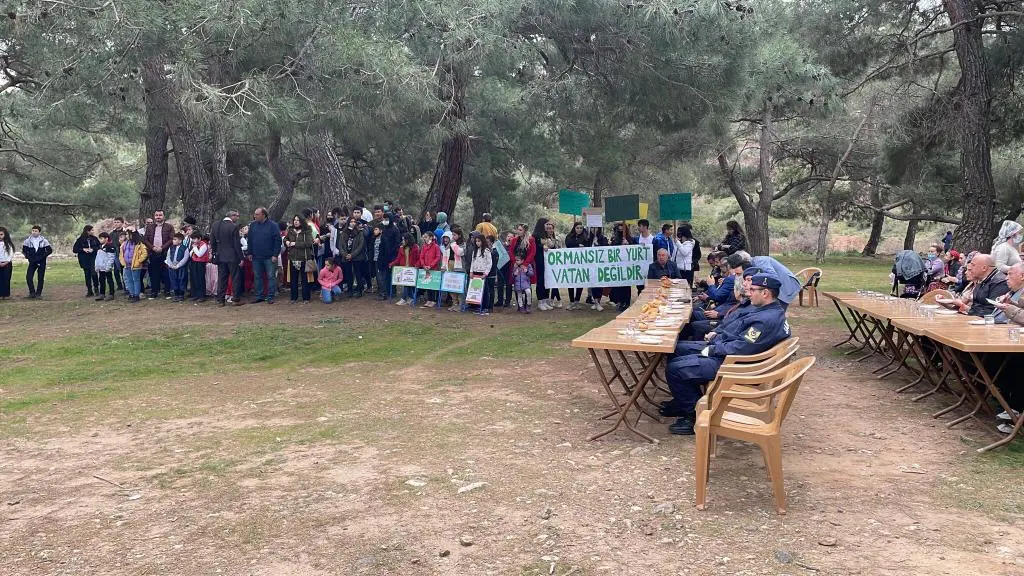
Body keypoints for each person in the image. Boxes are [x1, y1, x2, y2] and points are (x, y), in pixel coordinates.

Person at [662, 272, 791, 435]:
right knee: (677, 350)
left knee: (675, 368)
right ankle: (685, 403)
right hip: (734, 357)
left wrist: (714, 346)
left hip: (735, 366)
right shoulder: (767, 311)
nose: (748, 292)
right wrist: (717, 338)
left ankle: (692, 416)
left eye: (752, 290)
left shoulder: (765, 320)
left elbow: (741, 349)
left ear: (765, 293)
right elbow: (739, 335)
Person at [247, 206, 281, 304]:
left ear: (263, 215)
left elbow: (277, 241)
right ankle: (259, 296)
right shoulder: (253, 225)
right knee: (257, 276)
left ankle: (270, 296)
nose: (255, 216)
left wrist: (275, 254)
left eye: (257, 214)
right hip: (256, 257)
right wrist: (249, 252)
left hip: (269, 257)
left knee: (271, 276)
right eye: (255, 214)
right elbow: (250, 240)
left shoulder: (273, 225)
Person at [212, 210, 244, 306]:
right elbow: (236, 244)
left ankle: (220, 300)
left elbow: (212, 240)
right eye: (236, 216)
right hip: (232, 256)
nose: (237, 218)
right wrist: (241, 258)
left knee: (222, 278)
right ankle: (236, 299)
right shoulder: (233, 227)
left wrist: (215, 252)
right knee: (235, 278)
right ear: (232, 216)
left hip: (220, 255)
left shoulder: (215, 225)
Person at [143, 210, 175, 299]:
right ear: (154, 216)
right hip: (152, 253)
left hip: (165, 252)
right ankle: (154, 291)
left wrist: (162, 248)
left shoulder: (169, 227)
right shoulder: (149, 227)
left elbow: (172, 239)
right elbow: (145, 239)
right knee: (153, 273)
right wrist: (153, 247)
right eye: (156, 215)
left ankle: (167, 291)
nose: (158, 217)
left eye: (160, 215)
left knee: (166, 273)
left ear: (164, 216)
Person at [285, 215, 315, 304]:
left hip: (304, 258)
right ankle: (293, 298)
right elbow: (286, 238)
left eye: (298, 220)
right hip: (293, 258)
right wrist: (286, 241)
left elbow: (309, 243)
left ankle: (306, 298)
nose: (296, 222)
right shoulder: (290, 230)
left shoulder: (307, 230)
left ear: (301, 221)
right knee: (293, 279)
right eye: (294, 220)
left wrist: (295, 244)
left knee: (305, 279)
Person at [336, 217, 366, 298]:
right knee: (348, 274)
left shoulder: (359, 233)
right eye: (351, 221)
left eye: (354, 222)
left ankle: (359, 290)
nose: (352, 223)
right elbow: (340, 245)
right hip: (346, 257)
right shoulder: (343, 233)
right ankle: (350, 290)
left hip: (357, 257)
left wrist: (352, 255)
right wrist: (345, 255)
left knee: (358, 273)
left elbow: (360, 245)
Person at [563, 222, 590, 310]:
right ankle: (571, 302)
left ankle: (577, 301)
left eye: (581, 228)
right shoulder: (569, 236)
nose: (579, 230)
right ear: (574, 228)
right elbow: (568, 244)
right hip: (571, 263)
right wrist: (577, 245)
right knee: (571, 282)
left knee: (580, 282)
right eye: (577, 228)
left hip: (582, 263)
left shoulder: (586, 237)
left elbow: (588, 246)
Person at [22, 225, 53, 299]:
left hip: (41, 262)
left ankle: (38, 293)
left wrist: (42, 257)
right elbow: (24, 251)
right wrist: (28, 257)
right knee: (29, 277)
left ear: (39, 232)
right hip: (32, 262)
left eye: (36, 231)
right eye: (33, 231)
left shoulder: (44, 241)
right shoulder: (27, 241)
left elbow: (49, 250)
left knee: (40, 277)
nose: (34, 232)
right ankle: (32, 293)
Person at [610, 222, 635, 311]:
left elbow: (634, 252)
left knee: (626, 286)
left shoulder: (630, 239)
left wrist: (628, 245)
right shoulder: (614, 240)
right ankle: (619, 302)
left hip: (627, 267)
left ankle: (626, 302)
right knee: (618, 287)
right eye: (619, 230)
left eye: (622, 230)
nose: (620, 231)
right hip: (617, 267)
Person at [389, 233, 420, 306]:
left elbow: (418, 258)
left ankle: (404, 298)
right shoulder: (401, 248)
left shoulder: (415, 247)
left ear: (408, 240)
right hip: (404, 269)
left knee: (407, 284)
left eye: (404, 239)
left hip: (412, 269)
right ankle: (410, 298)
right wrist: (392, 263)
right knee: (406, 284)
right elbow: (398, 259)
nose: (402, 241)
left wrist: (417, 265)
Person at [120, 228, 149, 303]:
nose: (126, 236)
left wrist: (138, 261)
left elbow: (144, 253)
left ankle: (136, 295)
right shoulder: (124, 243)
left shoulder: (139, 244)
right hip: (127, 265)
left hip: (136, 266)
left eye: (127, 234)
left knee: (136, 280)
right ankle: (131, 294)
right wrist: (123, 262)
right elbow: (121, 253)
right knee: (129, 280)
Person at [72, 225, 101, 297]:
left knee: (94, 273)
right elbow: (75, 249)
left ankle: (96, 289)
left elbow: (99, 246)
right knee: (87, 275)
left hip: (93, 258)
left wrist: (93, 249)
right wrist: (83, 249)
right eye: (91, 230)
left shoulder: (94, 239)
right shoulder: (80, 239)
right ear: (87, 231)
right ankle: (89, 290)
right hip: (84, 259)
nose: (93, 232)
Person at [470, 234, 494, 315]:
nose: (477, 243)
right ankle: (478, 307)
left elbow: (489, 263)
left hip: (483, 273)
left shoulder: (487, 251)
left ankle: (485, 307)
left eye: (479, 241)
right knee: (477, 290)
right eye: (476, 241)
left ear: (483, 241)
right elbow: (472, 262)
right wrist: (471, 271)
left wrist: (486, 273)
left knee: (484, 291)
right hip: (475, 273)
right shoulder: (475, 251)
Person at [418, 230, 442, 307]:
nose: (425, 238)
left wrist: (430, 266)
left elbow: (437, 257)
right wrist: (424, 265)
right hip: (425, 268)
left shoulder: (436, 246)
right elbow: (421, 257)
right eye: (424, 237)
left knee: (433, 285)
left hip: (433, 269)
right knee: (427, 284)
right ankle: (429, 299)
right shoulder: (424, 246)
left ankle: (433, 300)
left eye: (426, 237)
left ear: (431, 237)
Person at [588, 226, 609, 311]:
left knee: (599, 284)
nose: (594, 230)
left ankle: (598, 302)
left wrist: (599, 245)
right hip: (591, 265)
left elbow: (607, 248)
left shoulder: (603, 238)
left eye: (596, 228)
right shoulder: (588, 238)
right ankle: (595, 302)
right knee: (593, 283)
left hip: (600, 266)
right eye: (592, 228)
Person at [164, 232, 190, 302]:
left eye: (175, 239)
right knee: (174, 280)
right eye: (173, 239)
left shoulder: (185, 248)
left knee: (181, 280)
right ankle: (176, 294)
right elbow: (168, 256)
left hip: (181, 268)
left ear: (180, 240)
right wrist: (170, 265)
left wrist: (178, 265)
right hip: (172, 267)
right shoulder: (171, 248)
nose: (173, 241)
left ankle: (181, 295)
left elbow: (185, 258)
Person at [93, 232, 117, 301]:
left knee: (109, 280)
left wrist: (108, 267)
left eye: (101, 238)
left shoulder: (110, 247)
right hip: (101, 267)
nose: (100, 240)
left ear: (106, 239)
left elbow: (111, 258)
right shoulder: (99, 247)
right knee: (101, 280)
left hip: (107, 267)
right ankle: (102, 294)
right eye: (99, 238)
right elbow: (98, 257)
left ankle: (111, 294)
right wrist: (97, 266)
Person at [188, 230, 209, 302]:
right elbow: (190, 254)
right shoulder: (195, 245)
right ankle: (195, 295)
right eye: (192, 239)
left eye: (195, 239)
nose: (193, 240)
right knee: (194, 278)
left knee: (200, 279)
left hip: (201, 263)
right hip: (194, 263)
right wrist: (193, 248)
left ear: (199, 238)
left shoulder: (204, 245)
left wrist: (194, 247)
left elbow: (200, 254)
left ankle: (202, 296)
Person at [109, 217, 126, 292]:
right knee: (116, 271)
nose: (116, 224)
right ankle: (119, 285)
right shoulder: (112, 233)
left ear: (122, 223)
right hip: (115, 253)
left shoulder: (125, 232)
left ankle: (126, 286)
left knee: (123, 270)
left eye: (118, 222)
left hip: (124, 253)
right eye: (115, 222)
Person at [0, 226, 13, 300]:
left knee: (6, 279)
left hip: (7, 264)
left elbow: (10, 254)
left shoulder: (8, 244)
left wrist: (6, 262)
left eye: (1, 234)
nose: (0, 236)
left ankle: (5, 294)